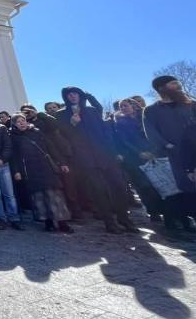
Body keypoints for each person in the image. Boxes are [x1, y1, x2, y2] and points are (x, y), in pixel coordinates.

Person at [56, 86, 137, 234]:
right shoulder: (61, 114)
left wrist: (112, 150)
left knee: (119, 185)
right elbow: (65, 135)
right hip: (84, 156)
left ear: (80, 95)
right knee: (98, 189)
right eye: (69, 94)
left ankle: (124, 219)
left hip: (103, 153)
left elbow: (103, 129)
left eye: (75, 93)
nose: (73, 96)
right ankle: (109, 222)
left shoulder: (91, 110)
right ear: (65, 98)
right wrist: (73, 123)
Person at [113, 98, 185, 229]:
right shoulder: (120, 123)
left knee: (168, 184)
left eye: (125, 105)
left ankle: (178, 215)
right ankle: (159, 213)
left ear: (133, 106)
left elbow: (154, 134)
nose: (123, 108)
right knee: (149, 188)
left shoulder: (145, 118)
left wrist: (154, 150)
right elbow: (124, 141)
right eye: (121, 106)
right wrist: (139, 152)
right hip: (137, 157)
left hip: (157, 153)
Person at [9, 113, 74, 233]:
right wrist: (16, 171)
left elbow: (51, 148)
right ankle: (48, 222)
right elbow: (14, 156)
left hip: (46, 167)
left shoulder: (37, 132)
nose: (22, 123)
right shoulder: (13, 137)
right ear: (14, 124)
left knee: (54, 195)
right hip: (29, 169)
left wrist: (62, 162)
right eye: (18, 121)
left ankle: (62, 222)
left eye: (23, 120)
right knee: (39, 197)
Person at [20, 103, 80, 218]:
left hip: (57, 153)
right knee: (54, 186)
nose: (28, 113)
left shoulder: (43, 120)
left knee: (68, 183)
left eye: (30, 110)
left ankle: (75, 209)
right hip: (42, 159)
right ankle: (61, 211)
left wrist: (38, 114)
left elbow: (54, 124)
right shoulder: (25, 126)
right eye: (25, 112)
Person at [143, 76, 196, 194]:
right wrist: (169, 146)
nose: (179, 86)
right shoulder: (152, 110)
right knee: (188, 187)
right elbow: (151, 132)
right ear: (161, 88)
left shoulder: (191, 104)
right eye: (173, 83)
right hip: (178, 154)